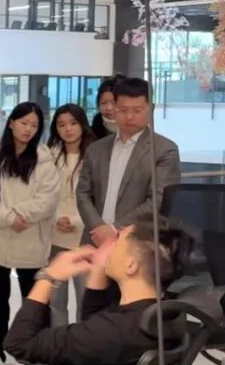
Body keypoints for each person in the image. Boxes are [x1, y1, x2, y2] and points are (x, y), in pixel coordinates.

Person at [4, 216, 192, 365]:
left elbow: (19, 343)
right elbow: (95, 328)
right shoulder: (164, 314)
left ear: (131, 265)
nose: (109, 244)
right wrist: (99, 267)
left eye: (117, 240)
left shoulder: (117, 330)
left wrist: (49, 276)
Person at [0, 102, 60, 358]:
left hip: (32, 241)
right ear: (11, 123)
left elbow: (48, 199)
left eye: (34, 125)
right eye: (24, 123)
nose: (28, 129)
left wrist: (18, 215)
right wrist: (8, 218)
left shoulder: (43, 159)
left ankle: (35, 360)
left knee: (35, 305)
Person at [76, 77, 181, 251]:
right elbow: (83, 193)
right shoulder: (96, 148)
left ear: (151, 108)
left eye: (137, 110)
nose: (129, 116)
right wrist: (98, 229)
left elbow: (158, 200)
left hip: (137, 245)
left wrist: (114, 229)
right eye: (123, 110)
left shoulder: (164, 150)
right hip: (95, 241)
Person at [47, 103, 96, 325]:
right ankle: (58, 342)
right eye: (61, 124)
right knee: (56, 300)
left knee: (85, 299)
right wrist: (56, 218)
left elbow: (97, 197)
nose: (68, 129)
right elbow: (45, 192)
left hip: (84, 237)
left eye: (73, 123)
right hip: (54, 237)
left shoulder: (95, 154)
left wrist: (76, 221)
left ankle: (81, 343)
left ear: (82, 124)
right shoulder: (49, 155)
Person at [90, 74, 124, 140]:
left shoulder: (136, 129)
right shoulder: (91, 133)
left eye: (113, 103)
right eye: (103, 103)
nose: (108, 108)